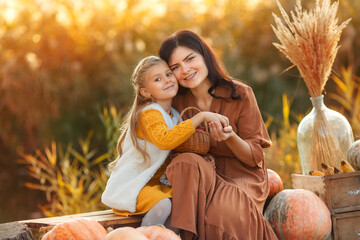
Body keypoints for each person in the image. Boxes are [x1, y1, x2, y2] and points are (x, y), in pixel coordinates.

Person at [159, 30, 278, 239]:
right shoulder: (176, 103)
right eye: (175, 67)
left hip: (241, 174)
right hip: (199, 176)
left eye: (190, 59)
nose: (185, 70)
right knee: (185, 166)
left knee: (222, 214)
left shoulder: (240, 94)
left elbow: (255, 158)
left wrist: (230, 138)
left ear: (205, 55)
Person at [101, 55, 229, 227]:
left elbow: (179, 144)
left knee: (183, 206)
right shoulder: (149, 113)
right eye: (157, 79)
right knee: (162, 205)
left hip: (155, 186)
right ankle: (141, 238)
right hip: (134, 186)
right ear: (145, 92)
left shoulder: (174, 114)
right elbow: (165, 140)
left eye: (168, 74)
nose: (167, 80)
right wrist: (201, 116)